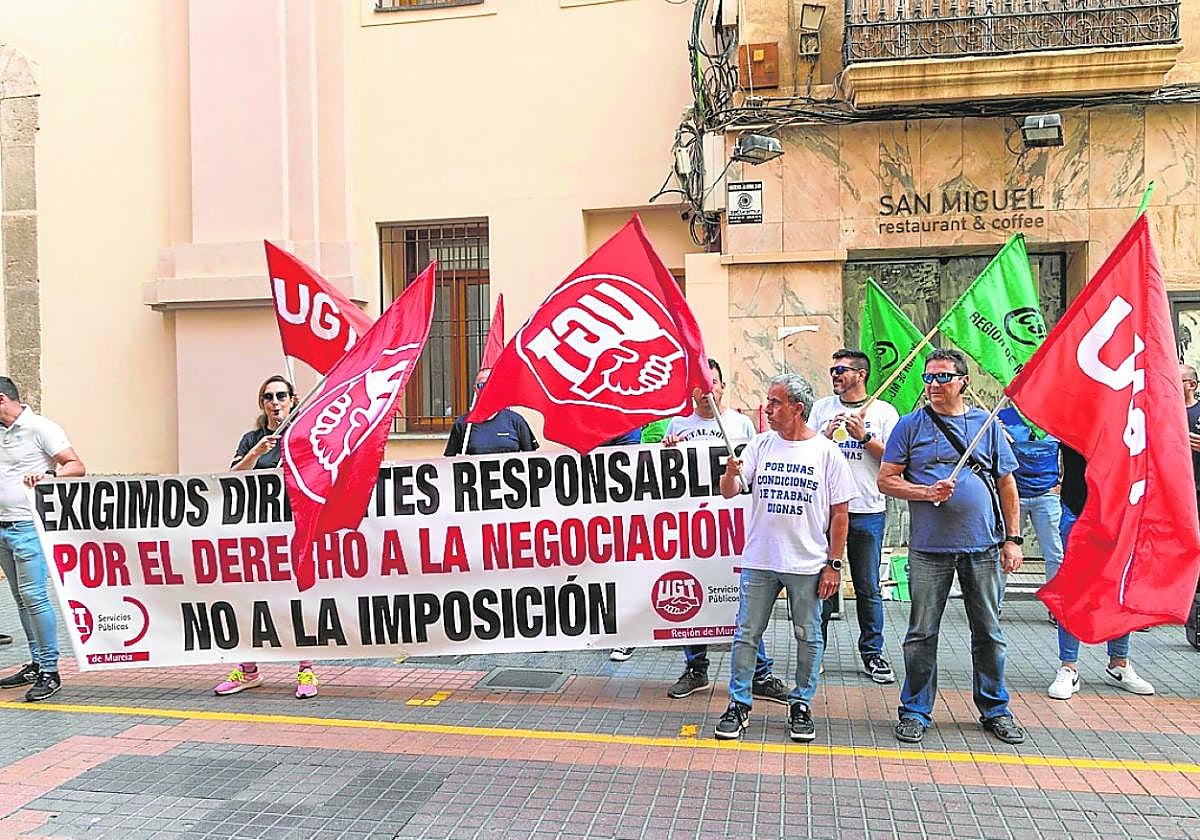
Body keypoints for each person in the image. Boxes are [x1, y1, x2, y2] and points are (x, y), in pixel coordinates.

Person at [878, 349, 1027, 745]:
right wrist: (925, 492)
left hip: (984, 546)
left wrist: (1013, 539)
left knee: (989, 632)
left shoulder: (987, 425)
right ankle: (915, 710)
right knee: (921, 633)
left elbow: (1007, 483)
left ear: (963, 381)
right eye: (928, 378)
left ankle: (995, 709)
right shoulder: (910, 426)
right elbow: (886, 480)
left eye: (943, 377)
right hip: (929, 549)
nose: (934, 386)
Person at [632, 359, 787, 705]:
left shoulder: (741, 425)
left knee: (743, 601)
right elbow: (662, 476)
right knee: (691, 596)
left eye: (713, 383)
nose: (707, 392)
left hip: (734, 529)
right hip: (692, 530)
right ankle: (696, 667)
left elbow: (754, 474)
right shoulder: (679, 424)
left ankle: (759, 673)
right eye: (700, 386)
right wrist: (667, 451)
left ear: (722, 387)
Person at [713, 373, 855, 742]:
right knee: (746, 634)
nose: (768, 409)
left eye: (775, 402)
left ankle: (801, 703)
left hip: (807, 564)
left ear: (798, 408)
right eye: (768, 401)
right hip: (760, 559)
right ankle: (739, 703)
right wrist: (729, 476)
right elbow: (729, 492)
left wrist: (834, 564)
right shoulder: (760, 445)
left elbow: (841, 514)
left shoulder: (826, 452)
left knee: (808, 636)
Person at [214, 376, 319, 699]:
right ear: (262, 404)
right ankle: (248, 670)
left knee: (296, 600)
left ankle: (306, 670)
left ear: (292, 400)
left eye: (281, 396)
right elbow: (232, 477)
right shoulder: (252, 439)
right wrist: (256, 454)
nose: (275, 402)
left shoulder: (304, 433)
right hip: (256, 535)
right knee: (250, 600)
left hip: (292, 529)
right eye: (268, 397)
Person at [808, 349, 899, 684]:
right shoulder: (821, 409)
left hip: (867, 511)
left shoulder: (884, 412)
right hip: (825, 514)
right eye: (832, 369)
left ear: (860, 374)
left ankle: (872, 654)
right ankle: (814, 651)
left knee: (867, 586)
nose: (834, 375)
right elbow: (804, 452)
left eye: (841, 370)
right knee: (820, 584)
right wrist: (825, 437)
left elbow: (896, 460)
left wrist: (865, 437)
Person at [0, 376, 86, 702]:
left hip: (27, 527)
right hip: (2, 527)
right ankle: (37, 663)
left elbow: (77, 465)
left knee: (35, 597)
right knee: (20, 599)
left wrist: (50, 475)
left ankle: (50, 670)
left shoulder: (40, 428)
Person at [1046, 444, 1154, 699]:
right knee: (1073, 589)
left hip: (1121, 512)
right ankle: (1068, 666)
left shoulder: (1128, 414)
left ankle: (1120, 663)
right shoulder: (1076, 414)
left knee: (1119, 588)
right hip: (1078, 509)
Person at [997, 406, 1062, 619]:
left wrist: (1063, 483)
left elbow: (1074, 452)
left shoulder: (1057, 416)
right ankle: (993, 605)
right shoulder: (1005, 417)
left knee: (1055, 553)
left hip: (1047, 494)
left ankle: (1055, 607)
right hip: (1014, 495)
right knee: (1002, 550)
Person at [444, 368, 539, 457]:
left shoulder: (516, 421)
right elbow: (449, 462)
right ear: (475, 390)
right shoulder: (463, 424)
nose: (486, 389)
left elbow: (531, 459)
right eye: (482, 385)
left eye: (491, 384)